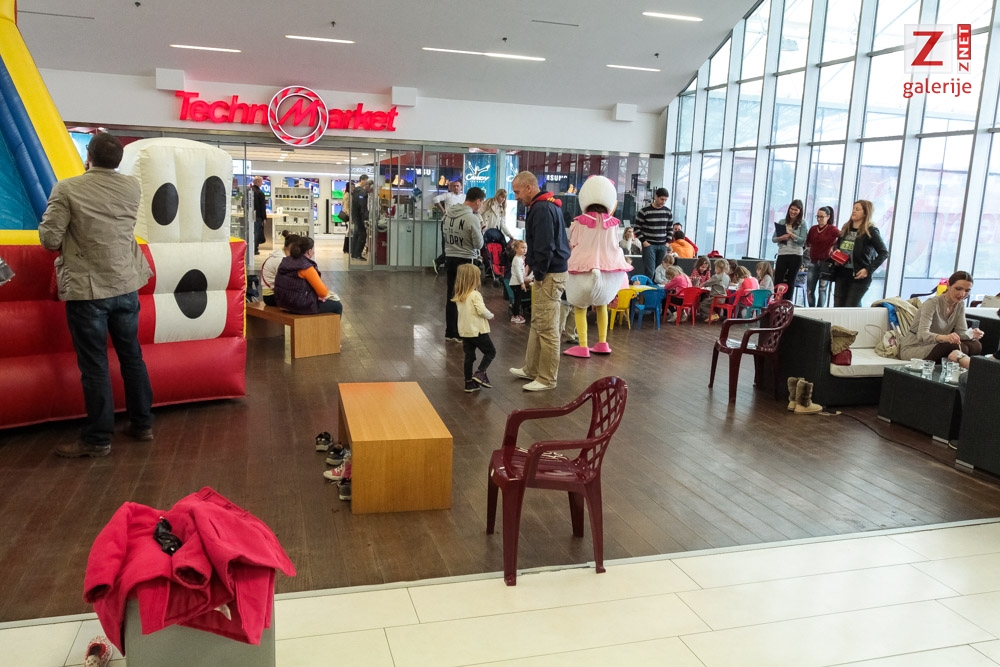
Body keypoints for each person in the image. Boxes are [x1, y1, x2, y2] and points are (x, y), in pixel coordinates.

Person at [38, 132, 154, 458]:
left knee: (94, 365)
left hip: (88, 289)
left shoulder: (67, 188)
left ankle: (97, 438)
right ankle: (142, 424)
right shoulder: (131, 186)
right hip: (126, 284)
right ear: (118, 159)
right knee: (132, 357)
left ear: (88, 156)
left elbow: (49, 239)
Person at [509, 171, 571, 391]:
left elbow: (545, 246)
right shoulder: (546, 205)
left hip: (549, 275)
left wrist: (540, 274)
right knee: (538, 323)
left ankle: (546, 378)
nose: (516, 196)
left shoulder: (542, 208)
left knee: (547, 329)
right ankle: (532, 369)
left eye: (517, 192)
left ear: (529, 187)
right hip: (549, 273)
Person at [562, 175, 632, 358]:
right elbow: (615, 245)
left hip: (582, 268)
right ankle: (602, 342)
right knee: (602, 305)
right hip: (607, 269)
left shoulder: (579, 221)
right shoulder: (614, 224)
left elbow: (573, 244)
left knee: (579, 307)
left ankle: (583, 346)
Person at [899, 271, 983, 363]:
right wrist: (945, 337)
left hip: (938, 344)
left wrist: (972, 334)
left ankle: (965, 370)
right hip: (915, 347)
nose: (962, 294)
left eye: (967, 290)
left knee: (975, 345)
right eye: (958, 288)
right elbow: (922, 335)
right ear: (948, 285)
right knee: (957, 347)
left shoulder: (960, 304)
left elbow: (961, 332)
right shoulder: (932, 303)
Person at [443, 187, 486, 342]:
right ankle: (463, 332)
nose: (481, 205)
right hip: (466, 259)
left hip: (450, 257)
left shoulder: (448, 214)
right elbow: (478, 244)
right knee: (466, 297)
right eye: (482, 202)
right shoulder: (472, 218)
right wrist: (481, 231)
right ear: (478, 201)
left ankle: (450, 331)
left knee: (451, 295)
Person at [832, 199, 889, 307]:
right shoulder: (846, 228)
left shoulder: (871, 231)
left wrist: (868, 270)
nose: (854, 211)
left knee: (850, 307)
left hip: (859, 276)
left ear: (865, 213)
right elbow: (838, 244)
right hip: (841, 273)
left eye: (857, 209)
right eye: (853, 208)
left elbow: (884, 252)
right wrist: (837, 251)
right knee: (838, 306)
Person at [452, 263, 496, 392]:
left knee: (469, 356)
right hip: (478, 331)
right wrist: (491, 315)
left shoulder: (459, 295)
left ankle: (469, 383)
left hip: (465, 331)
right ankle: (480, 372)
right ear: (473, 279)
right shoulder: (475, 294)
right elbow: (481, 310)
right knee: (490, 352)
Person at [274, 236, 343, 315]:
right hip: (299, 305)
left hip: (282, 302)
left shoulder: (286, 261)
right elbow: (323, 292)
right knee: (337, 306)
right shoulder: (306, 267)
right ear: (309, 251)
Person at [633, 187, 673, 280]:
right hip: (649, 245)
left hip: (663, 245)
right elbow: (637, 228)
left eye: (665, 200)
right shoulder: (644, 211)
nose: (663, 202)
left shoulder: (668, 212)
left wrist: (667, 243)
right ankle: (648, 288)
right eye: (661, 199)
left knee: (660, 272)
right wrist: (644, 242)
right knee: (650, 271)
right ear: (656, 197)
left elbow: (670, 229)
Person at [804, 205, 839, 307]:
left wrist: (835, 249)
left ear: (828, 217)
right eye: (817, 216)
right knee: (809, 290)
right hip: (813, 262)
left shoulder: (832, 229)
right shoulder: (813, 229)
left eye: (822, 217)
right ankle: (811, 309)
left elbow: (842, 237)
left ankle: (819, 310)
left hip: (826, 264)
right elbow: (807, 243)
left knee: (822, 289)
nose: (819, 219)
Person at [772, 199, 806, 299]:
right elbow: (774, 239)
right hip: (782, 253)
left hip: (796, 255)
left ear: (800, 211)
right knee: (778, 279)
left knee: (791, 281)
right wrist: (781, 238)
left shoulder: (803, 223)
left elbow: (803, 241)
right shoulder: (782, 221)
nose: (793, 212)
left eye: (796, 210)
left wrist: (791, 234)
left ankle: (787, 302)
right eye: (792, 209)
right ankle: (776, 301)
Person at [261, 231, 298, 306]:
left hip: (276, 293)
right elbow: (288, 281)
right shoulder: (280, 260)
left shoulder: (281, 256)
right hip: (271, 296)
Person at [509, 239, 531, 324]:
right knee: (517, 300)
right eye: (522, 248)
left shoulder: (519, 259)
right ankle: (515, 316)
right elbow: (518, 272)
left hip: (517, 282)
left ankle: (517, 314)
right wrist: (522, 283)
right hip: (516, 283)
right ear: (516, 249)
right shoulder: (517, 260)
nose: (524, 249)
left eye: (525, 248)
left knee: (518, 299)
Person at [350, 175, 370, 260]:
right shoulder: (361, 192)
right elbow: (363, 206)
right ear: (362, 180)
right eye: (366, 180)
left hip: (356, 216)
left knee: (356, 234)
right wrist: (365, 217)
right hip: (359, 217)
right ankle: (357, 254)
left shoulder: (356, 190)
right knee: (362, 234)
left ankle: (354, 253)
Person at [251, 176, 267, 255]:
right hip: (258, 216)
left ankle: (250, 249)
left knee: (251, 232)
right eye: (261, 182)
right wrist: (264, 217)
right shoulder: (260, 193)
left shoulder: (249, 190)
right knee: (256, 232)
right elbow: (262, 207)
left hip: (250, 215)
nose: (262, 183)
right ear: (258, 182)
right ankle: (255, 249)